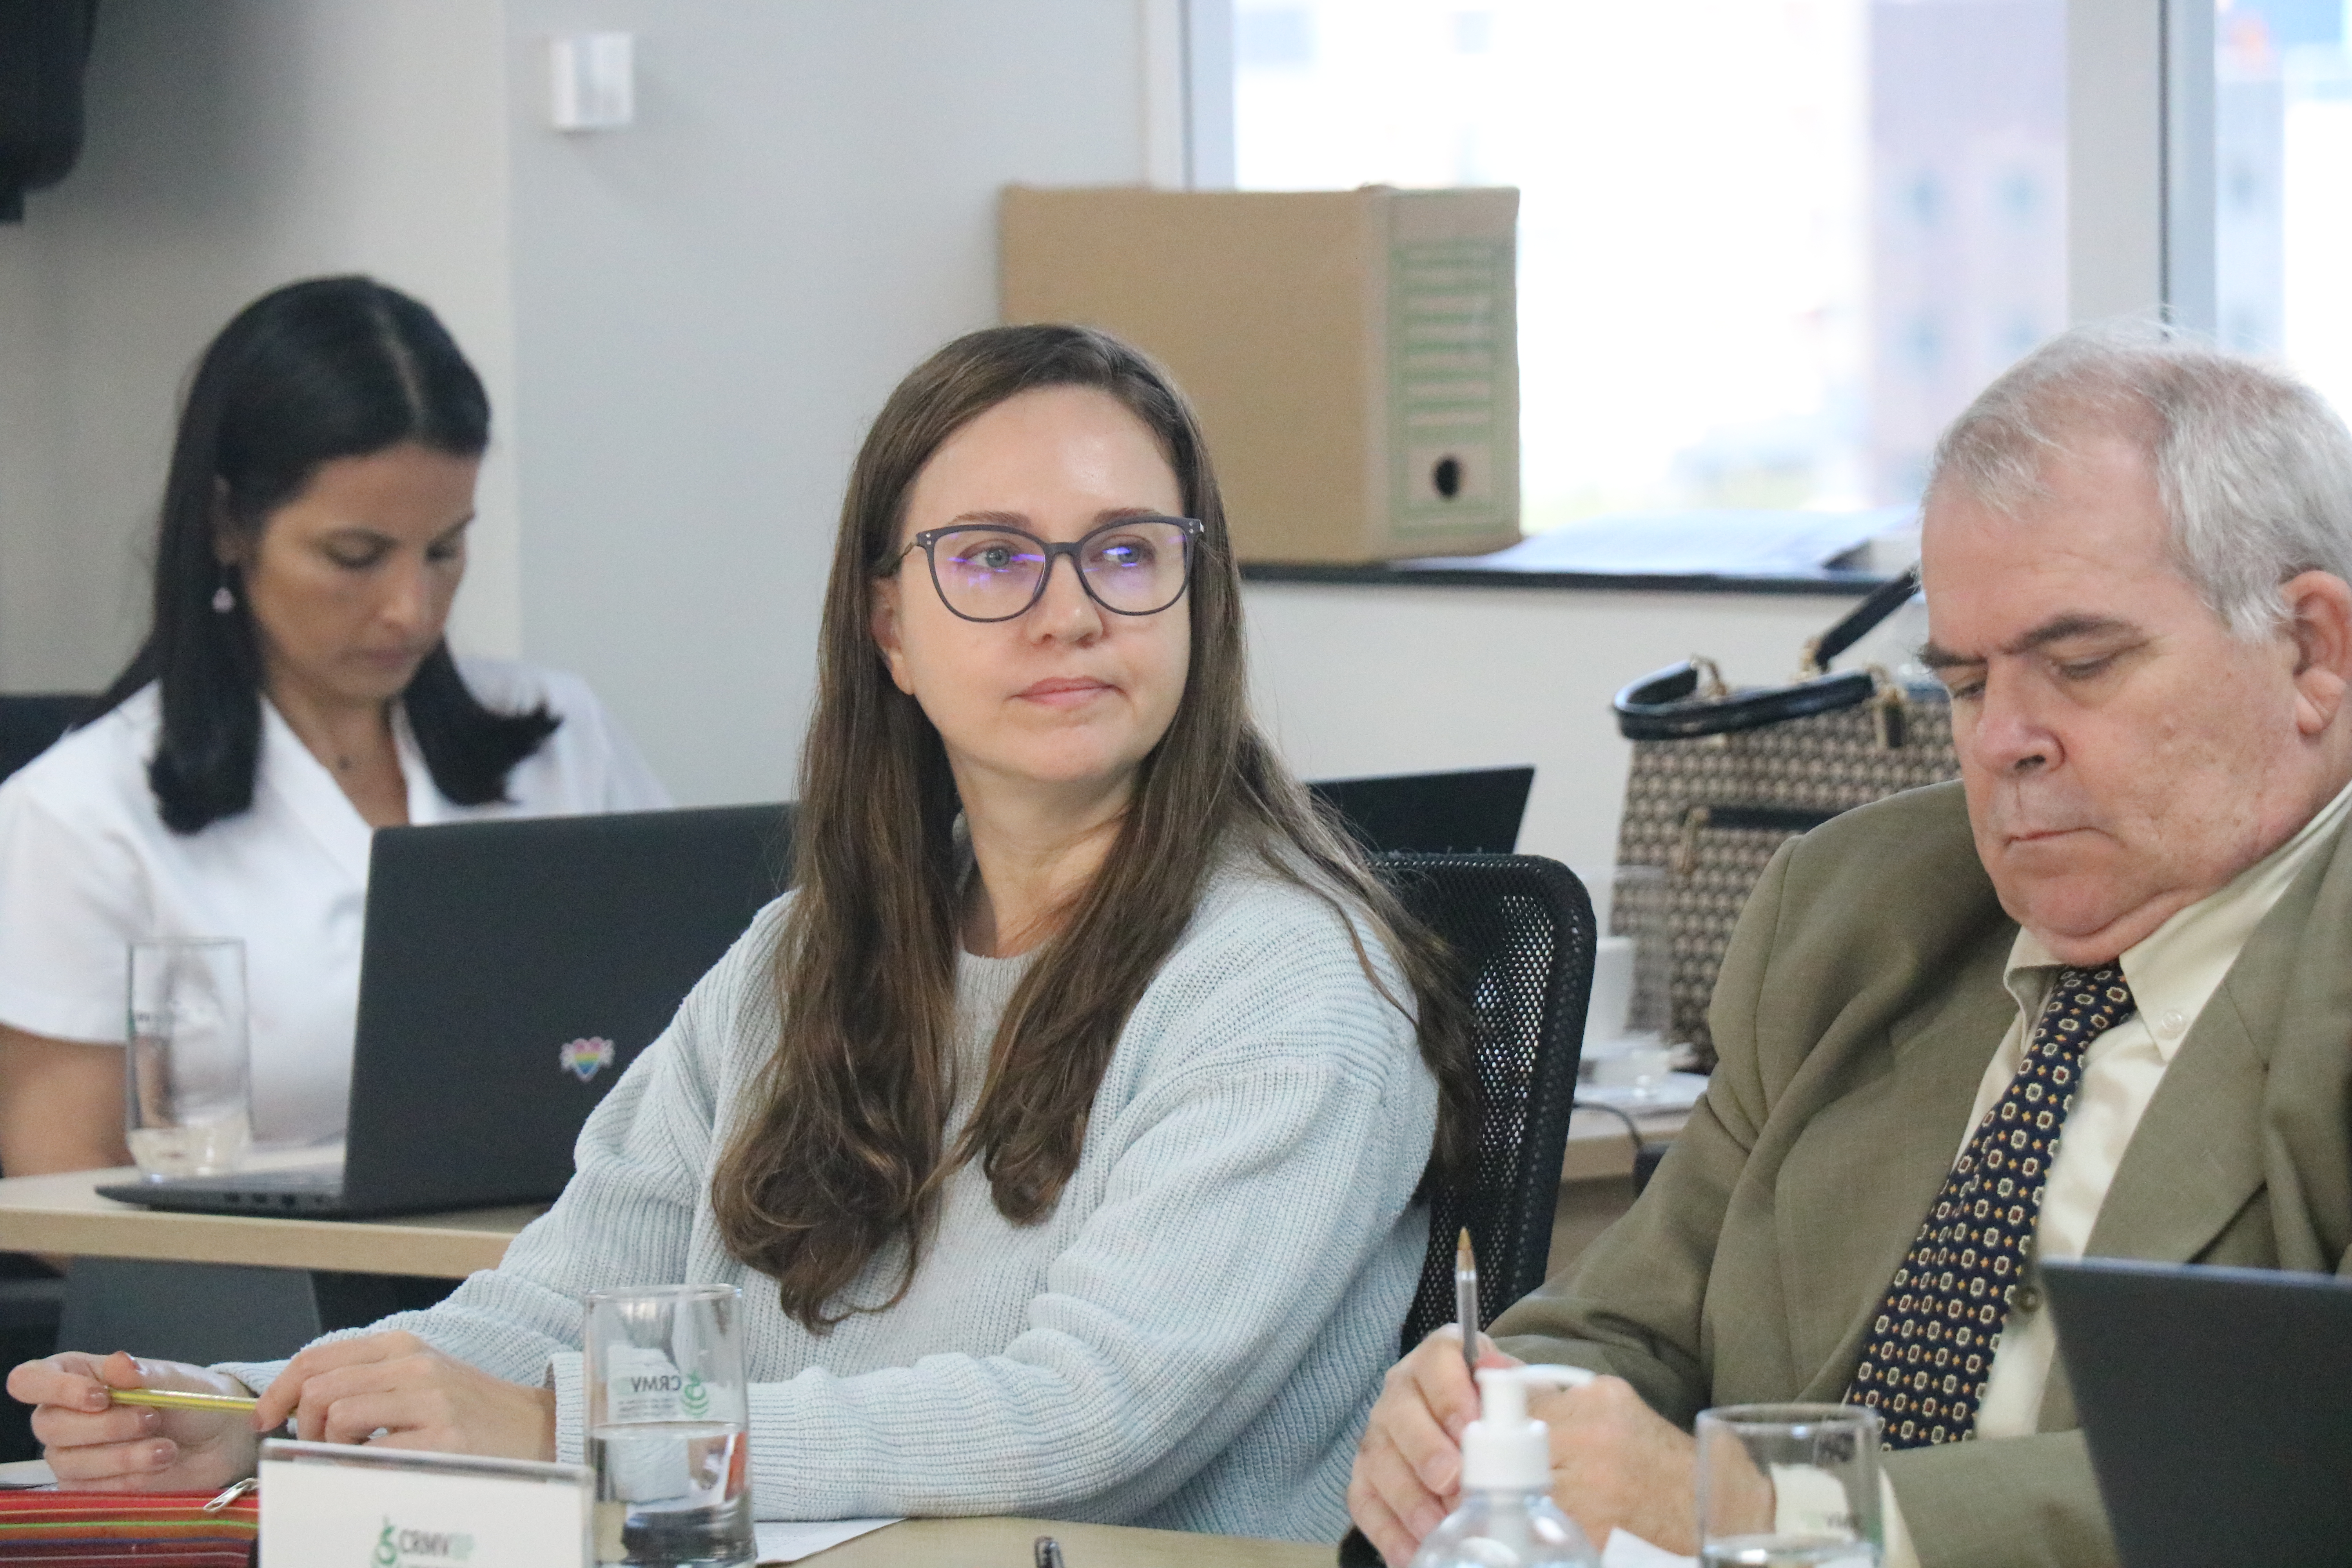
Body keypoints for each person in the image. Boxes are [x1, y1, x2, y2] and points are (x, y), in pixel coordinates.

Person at [8, 323, 1477, 1539]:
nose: (1070, 612)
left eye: (1128, 552)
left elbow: (1085, 1420)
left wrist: (559, 1434)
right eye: (989, 559)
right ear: (890, 628)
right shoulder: (802, 955)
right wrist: (255, 1418)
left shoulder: (1291, 982)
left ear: (1196, 599)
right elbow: (564, 1302)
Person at [1347, 322, 2352, 1568]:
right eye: (1969, 684)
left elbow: (2312, 1485)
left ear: (2314, 651)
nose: (2002, 743)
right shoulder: (1858, 909)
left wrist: (1781, 1511)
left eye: (2080, 665)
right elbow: (1625, 1331)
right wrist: (1493, 1415)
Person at [0, 277, 669, 1176]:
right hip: (264, 1302)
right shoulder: (79, 815)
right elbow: (62, 1172)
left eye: (444, 549)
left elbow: (697, 1038)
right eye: (355, 557)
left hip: (557, 1280)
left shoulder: (560, 736)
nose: (411, 609)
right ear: (228, 524)